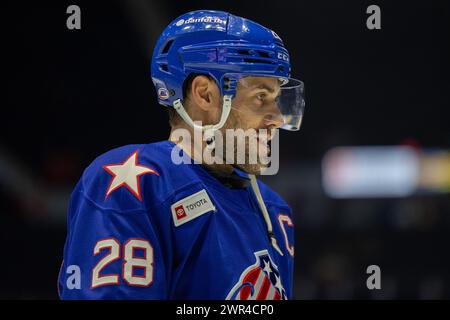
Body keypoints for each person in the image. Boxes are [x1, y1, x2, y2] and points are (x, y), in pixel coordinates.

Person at [59, 9, 305, 300]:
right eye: (261, 97)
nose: (276, 118)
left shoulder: (275, 211)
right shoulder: (134, 182)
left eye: (276, 99)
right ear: (204, 94)